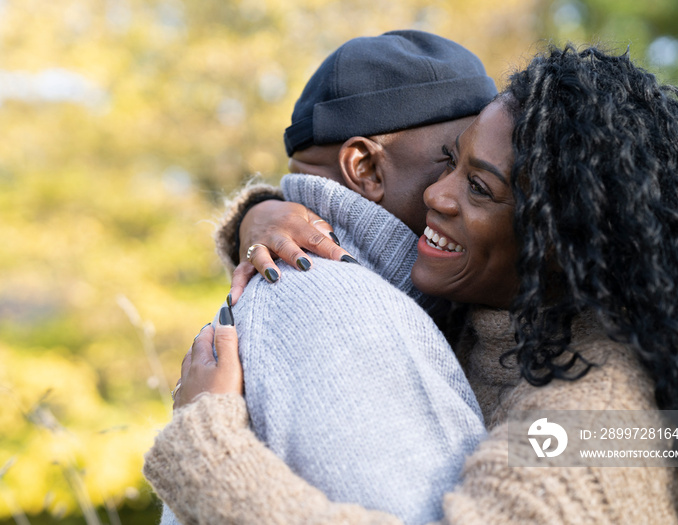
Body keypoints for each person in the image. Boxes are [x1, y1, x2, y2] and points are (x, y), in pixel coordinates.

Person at [144, 45, 678, 523]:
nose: (438, 194)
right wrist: (261, 213)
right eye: (448, 164)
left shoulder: (606, 413)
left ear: (562, 235)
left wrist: (207, 452)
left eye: (478, 187)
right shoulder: (469, 313)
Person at [151, 30, 499, 525]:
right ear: (365, 169)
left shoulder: (326, 286)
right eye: (452, 159)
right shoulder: (338, 306)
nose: (456, 188)